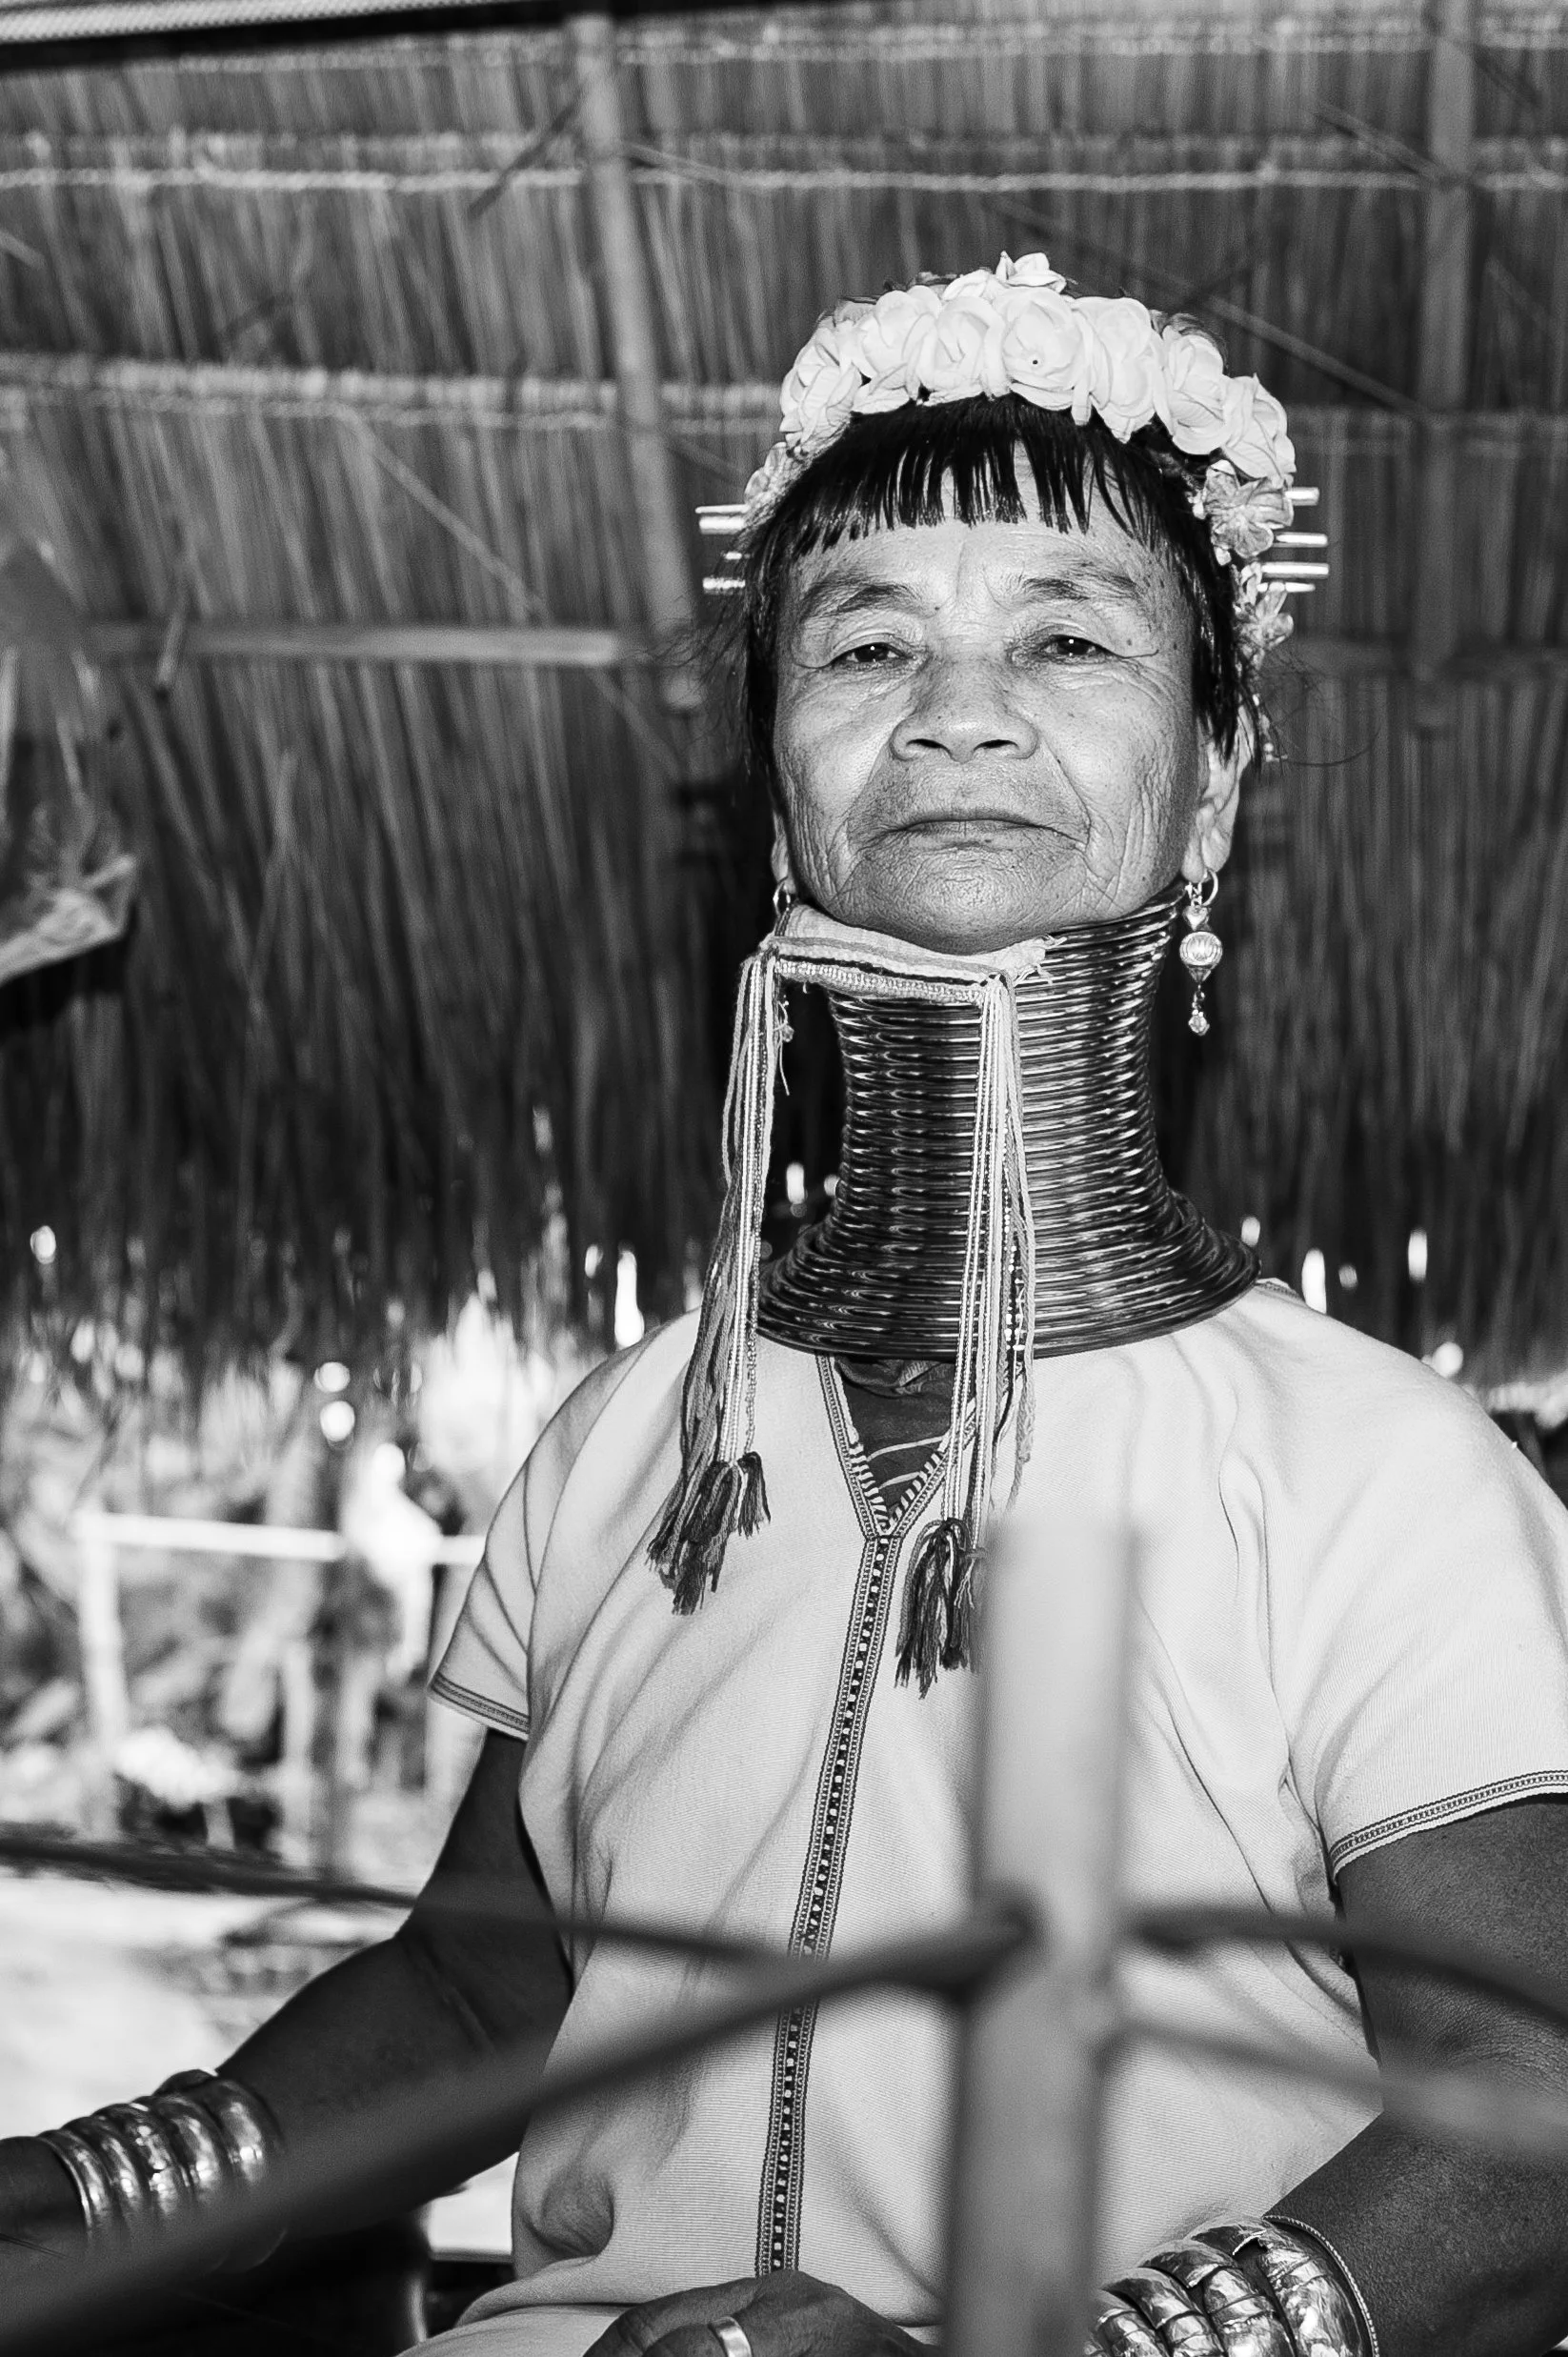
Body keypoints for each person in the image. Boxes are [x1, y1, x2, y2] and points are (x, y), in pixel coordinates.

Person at [6, 254, 1568, 2357]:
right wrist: (104, 2188)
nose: (958, 707)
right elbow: (485, 1990)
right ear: (775, 783)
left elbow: (1525, 2120)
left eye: (1069, 638)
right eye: (864, 643)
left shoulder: (1382, 1479)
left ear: (1212, 781)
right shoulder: (628, 1446)